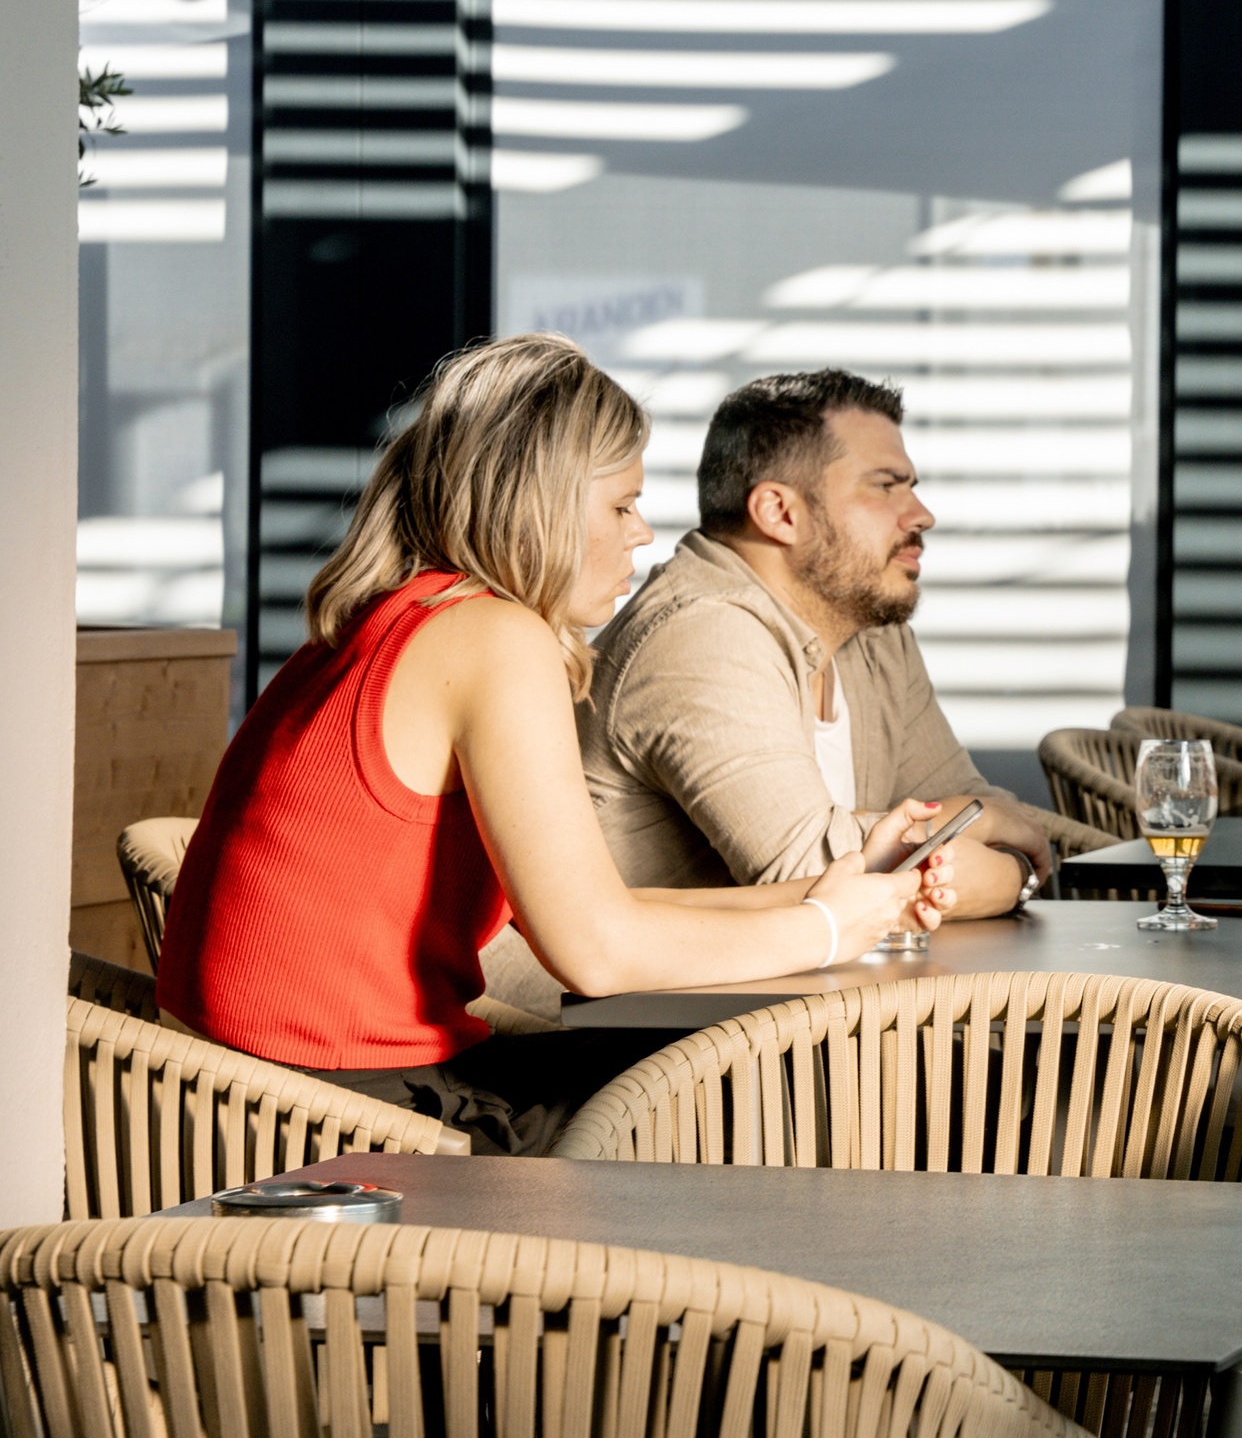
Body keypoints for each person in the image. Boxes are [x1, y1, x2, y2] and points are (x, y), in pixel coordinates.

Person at [156, 335, 957, 1156]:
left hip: (260, 1100)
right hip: (337, 1127)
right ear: (540, 505)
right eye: (621, 506)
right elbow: (597, 954)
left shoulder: (397, 615)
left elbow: (602, 909)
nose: (643, 533)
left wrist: (836, 896)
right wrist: (826, 931)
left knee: (731, 1075)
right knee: (774, 1090)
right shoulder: (493, 639)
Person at [578, 368, 1059, 915]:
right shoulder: (701, 634)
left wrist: (1005, 863)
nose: (921, 515)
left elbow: (1008, 835)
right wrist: (987, 828)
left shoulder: (872, 634)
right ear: (780, 513)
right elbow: (813, 881)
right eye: (885, 487)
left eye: (911, 487)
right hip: (644, 976)